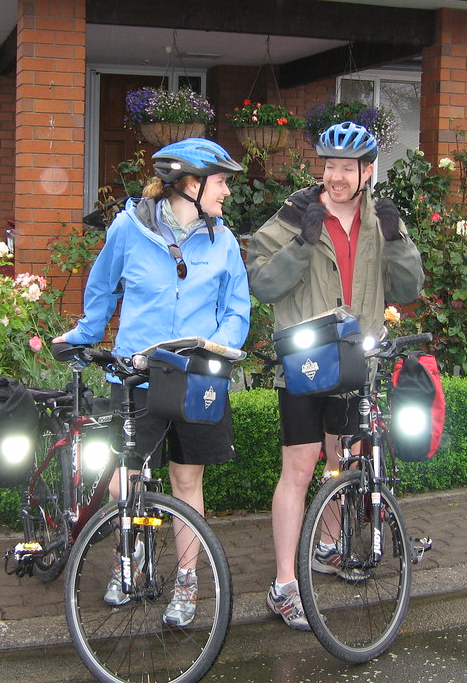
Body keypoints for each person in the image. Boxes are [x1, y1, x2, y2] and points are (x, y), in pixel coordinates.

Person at [54, 137, 250, 628]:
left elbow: (237, 309)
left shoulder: (222, 240)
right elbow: (101, 286)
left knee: (187, 480)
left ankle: (187, 582)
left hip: (195, 379)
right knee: (130, 477)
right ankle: (132, 560)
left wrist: (217, 349)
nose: (227, 192)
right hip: (137, 376)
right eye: (221, 181)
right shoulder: (128, 229)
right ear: (190, 182)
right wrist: (84, 336)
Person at [246, 121, 425, 630]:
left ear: (368, 171)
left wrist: (395, 239)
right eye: (330, 166)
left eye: (347, 167)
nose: (336, 176)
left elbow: (409, 287)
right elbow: (262, 285)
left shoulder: (379, 220)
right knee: (299, 470)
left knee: (342, 463)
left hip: (355, 363)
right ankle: (284, 585)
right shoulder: (292, 216)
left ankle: (327, 547)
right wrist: (302, 243)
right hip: (305, 364)